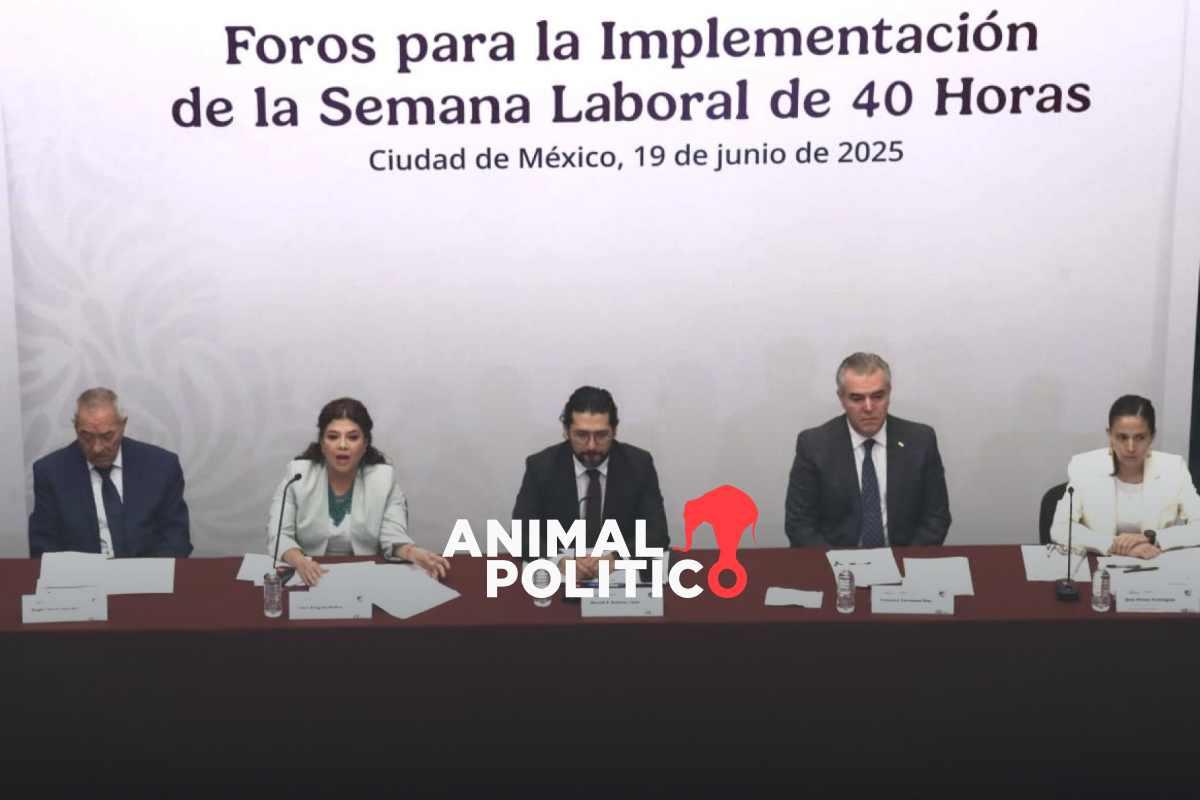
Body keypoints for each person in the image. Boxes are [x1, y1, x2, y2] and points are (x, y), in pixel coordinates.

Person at [267, 397, 448, 585]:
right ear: (322, 443)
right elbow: (278, 535)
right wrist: (300, 562)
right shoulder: (298, 475)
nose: (342, 445)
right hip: (310, 576)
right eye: (333, 437)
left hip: (364, 580)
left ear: (365, 444)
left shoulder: (383, 479)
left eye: (353, 437)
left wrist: (413, 553)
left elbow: (392, 535)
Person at [785, 352, 951, 548]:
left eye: (878, 396)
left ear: (889, 393)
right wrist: (837, 563)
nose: (869, 407)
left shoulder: (920, 441)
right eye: (857, 398)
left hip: (903, 558)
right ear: (841, 398)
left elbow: (936, 518)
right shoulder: (814, 445)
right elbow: (799, 524)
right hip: (836, 561)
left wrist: (905, 560)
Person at [512, 386, 669, 579]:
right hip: (562, 578)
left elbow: (657, 533)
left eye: (601, 435)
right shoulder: (541, 466)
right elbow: (520, 534)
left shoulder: (639, 464)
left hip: (618, 578)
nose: (592, 446)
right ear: (566, 431)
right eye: (581, 435)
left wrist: (616, 558)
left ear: (615, 431)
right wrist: (559, 560)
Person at [28, 387, 192, 558]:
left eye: (107, 436)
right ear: (76, 428)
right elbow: (43, 545)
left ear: (123, 425)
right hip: (81, 572)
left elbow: (176, 538)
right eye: (87, 437)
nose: (97, 448)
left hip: (147, 570)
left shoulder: (161, 467)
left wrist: (145, 572)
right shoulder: (50, 473)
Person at [1050, 395, 1200, 558]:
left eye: (1140, 437)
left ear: (1152, 436)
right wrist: (1113, 544)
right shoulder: (1085, 466)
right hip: (1101, 564)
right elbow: (1060, 527)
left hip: (1155, 562)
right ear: (1110, 435)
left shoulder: (1173, 468)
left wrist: (1151, 538)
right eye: (1122, 437)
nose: (1130, 447)